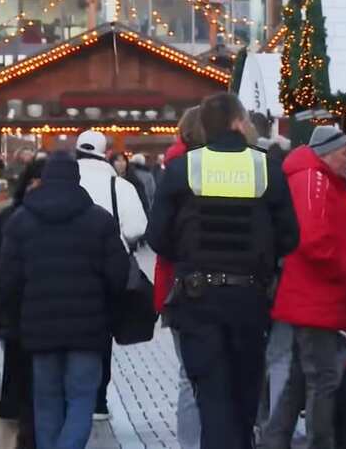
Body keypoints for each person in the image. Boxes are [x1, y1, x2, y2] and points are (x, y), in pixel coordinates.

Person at [147, 92, 299, 449]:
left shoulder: (183, 169)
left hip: (198, 298)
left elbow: (157, 236)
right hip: (249, 299)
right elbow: (290, 237)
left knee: (211, 395)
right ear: (236, 123)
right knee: (245, 395)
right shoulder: (265, 168)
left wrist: (189, 260)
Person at [0, 152, 129, 449]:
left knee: (47, 402)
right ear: (76, 180)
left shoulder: (21, 221)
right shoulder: (99, 220)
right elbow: (119, 275)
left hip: (39, 329)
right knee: (81, 400)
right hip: (88, 330)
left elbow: (8, 279)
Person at [261, 127, 346, 449]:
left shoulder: (316, 177)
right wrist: (342, 269)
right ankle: (320, 443)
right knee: (322, 379)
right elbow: (313, 239)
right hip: (316, 296)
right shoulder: (313, 180)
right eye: (345, 152)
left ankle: (275, 439)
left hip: (313, 294)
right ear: (327, 152)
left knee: (300, 378)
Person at [75, 130, 148, 421]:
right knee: (101, 334)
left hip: (67, 267)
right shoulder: (120, 186)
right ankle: (98, 400)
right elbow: (137, 228)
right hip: (107, 270)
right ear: (105, 153)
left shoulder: (64, 181)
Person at [0, 159, 46, 449]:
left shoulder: (7, 217)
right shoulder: (8, 218)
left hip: (15, 313)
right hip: (28, 312)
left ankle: (22, 432)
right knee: (29, 378)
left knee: (18, 376)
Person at [154, 105, 207, 449]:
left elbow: (158, 234)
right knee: (196, 374)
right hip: (189, 283)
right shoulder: (188, 169)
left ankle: (191, 441)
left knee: (189, 374)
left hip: (172, 283)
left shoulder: (172, 167)